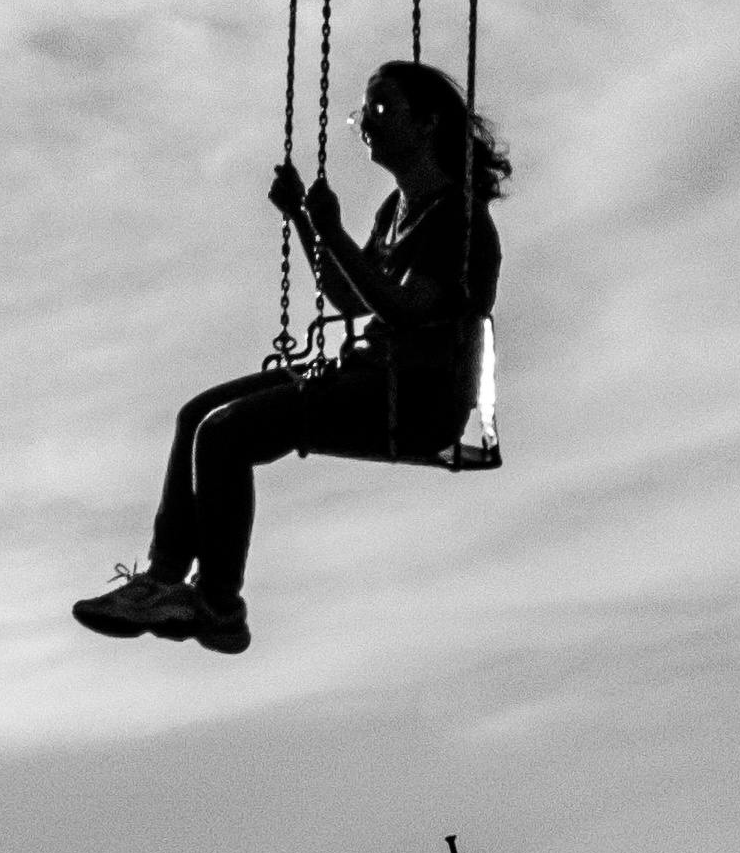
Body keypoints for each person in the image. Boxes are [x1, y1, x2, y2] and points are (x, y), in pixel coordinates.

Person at [71, 56, 504, 656]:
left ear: (428, 123)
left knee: (228, 436)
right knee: (196, 414)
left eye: (380, 109)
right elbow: (348, 298)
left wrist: (332, 232)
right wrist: (305, 220)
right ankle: (165, 578)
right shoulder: (396, 210)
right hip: (373, 377)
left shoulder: (458, 218)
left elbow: (405, 309)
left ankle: (219, 604)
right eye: (364, 114)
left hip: (418, 396)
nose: (367, 123)